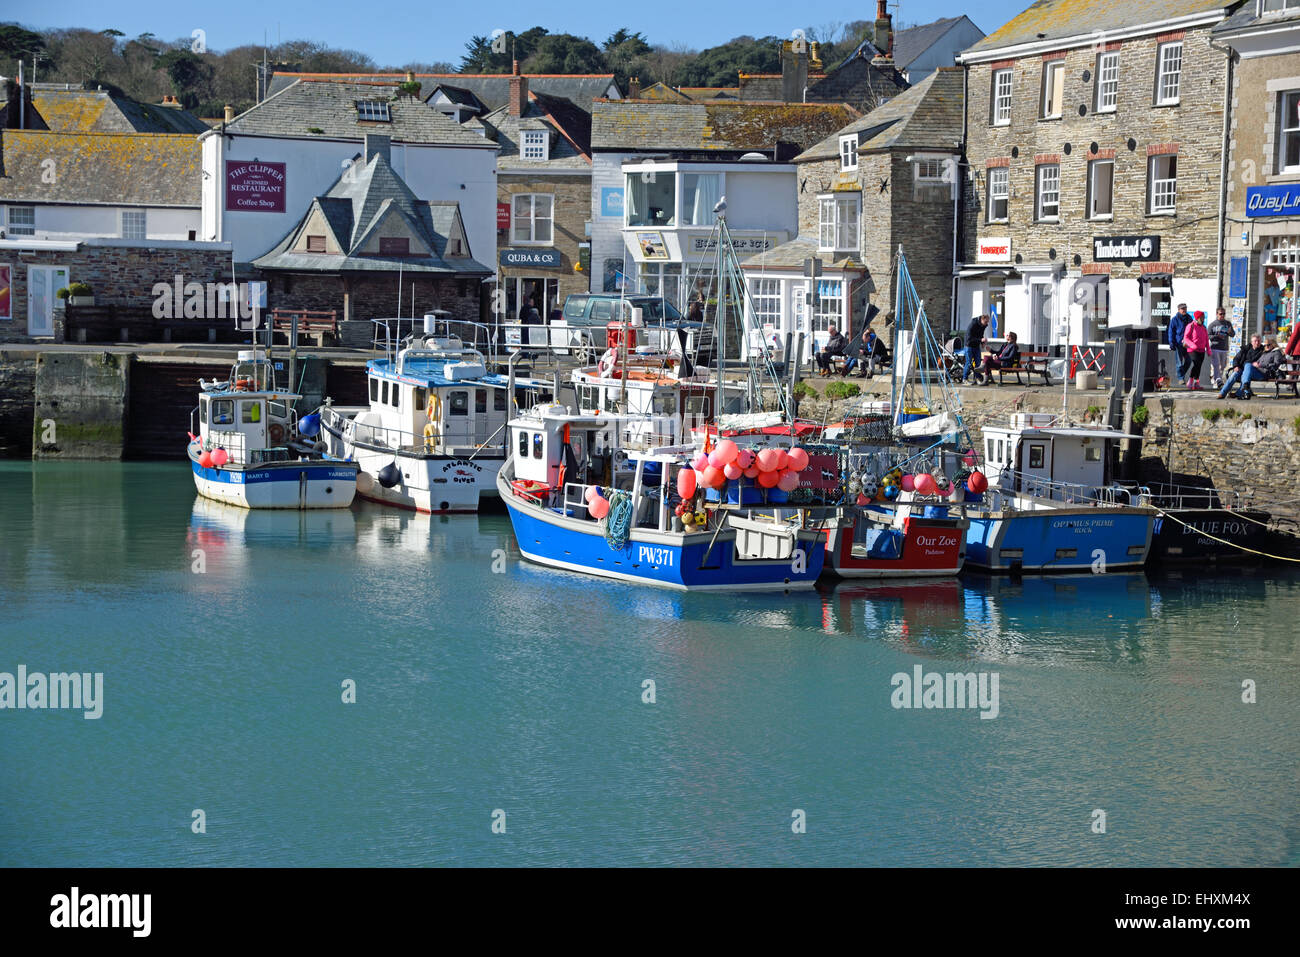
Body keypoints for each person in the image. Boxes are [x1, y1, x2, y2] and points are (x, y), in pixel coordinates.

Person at [1219, 333, 1265, 399]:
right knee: (1235, 374)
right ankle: (1222, 393)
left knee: (1248, 365)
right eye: (1255, 341)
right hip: (1243, 370)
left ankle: (1239, 393)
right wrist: (1236, 366)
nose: (1257, 342)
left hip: (1257, 371)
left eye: (1259, 341)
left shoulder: (1263, 351)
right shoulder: (1245, 349)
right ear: (1251, 342)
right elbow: (1236, 358)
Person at [1182, 310, 1210, 390]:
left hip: (1201, 350)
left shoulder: (1203, 327)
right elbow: (1186, 337)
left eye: (1204, 317)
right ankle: (1190, 382)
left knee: (1199, 366)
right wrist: (1192, 345)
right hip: (1192, 350)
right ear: (1197, 318)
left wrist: (1208, 349)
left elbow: (1206, 339)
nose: (1203, 319)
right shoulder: (1191, 326)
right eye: (1202, 317)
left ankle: (1196, 383)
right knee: (1196, 364)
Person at [1207, 306, 1234, 389]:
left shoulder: (1228, 323)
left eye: (1224, 314)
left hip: (1224, 348)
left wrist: (1230, 332)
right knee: (1216, 365)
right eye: (1220, 314)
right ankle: (1217, 380)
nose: (1222, 315)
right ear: (1217, 314)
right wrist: (1216, 336)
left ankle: (1217, 379)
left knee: (1222, 366)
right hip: (1215, 347)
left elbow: (1233, 335)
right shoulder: (1212, 324)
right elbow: (1208, 336)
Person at [1167, 302, 1191, 384]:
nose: (1184, 310)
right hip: (1178, 344)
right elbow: (1171, 332)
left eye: (1185, 308)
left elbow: (1193, 330)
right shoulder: (1174, 319)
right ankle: (1181, 378)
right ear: (1178, 310)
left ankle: (1181, 374)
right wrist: (1171, 342)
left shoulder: (1189, 318)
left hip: (1187, 344)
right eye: (1182, 309)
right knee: (1179, 363)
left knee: (1189, 360)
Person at [961, 314, 989, 383]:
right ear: (982, 319)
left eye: (987, 322)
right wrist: (980, 340)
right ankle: (964, 379)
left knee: (978, 363)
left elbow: (980, 334)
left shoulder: (983, 325)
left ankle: (977, 378)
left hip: (976, 345)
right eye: (986, 322)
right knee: (969, 363)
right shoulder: (973, 324)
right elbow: (969, 338)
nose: (986, 324)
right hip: (969, 345)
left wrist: (982, 343)